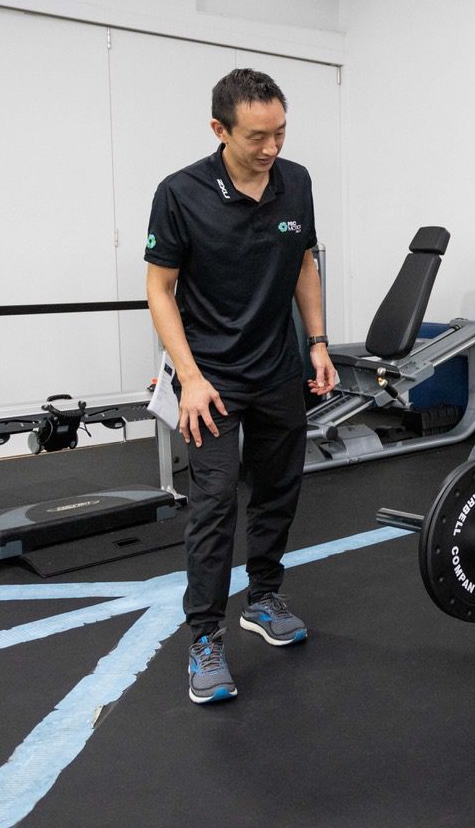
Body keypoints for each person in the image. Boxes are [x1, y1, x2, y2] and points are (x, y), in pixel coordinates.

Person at [144, 68, 337, 705]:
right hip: (212, 381)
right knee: (215, 502)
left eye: (280, 132)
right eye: (257, 136)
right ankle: (204, 637)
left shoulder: (297, 182)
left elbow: (305, 262)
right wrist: (190, 379)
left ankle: (263, 597)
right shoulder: (180, 193)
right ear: (219, 129)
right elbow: (160, 289)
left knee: (280, 488)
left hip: (280, 367)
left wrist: (317, 343)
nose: (271, 147)